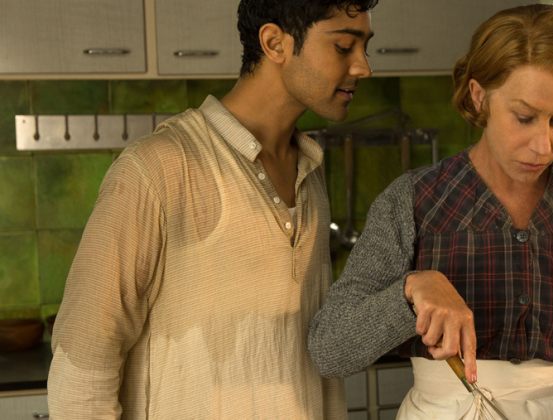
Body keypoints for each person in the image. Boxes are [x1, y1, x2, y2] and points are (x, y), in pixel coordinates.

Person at [309, 4, 553, 419]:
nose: (543, 145)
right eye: (524, 117)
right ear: (479, 96)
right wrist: (412, 289)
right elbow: (330, 350)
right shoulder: (411, 202)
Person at [47, 0, 376, 418]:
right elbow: (81, 369)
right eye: (344, 47)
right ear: (275, 43)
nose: (364, 67)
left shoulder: (309, 170)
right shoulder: (157, 168)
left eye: (365, 48)